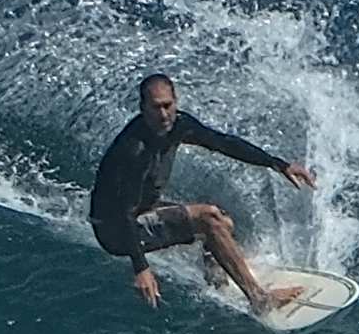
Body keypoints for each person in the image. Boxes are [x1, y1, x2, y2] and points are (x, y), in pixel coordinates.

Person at [89, 74, 316, 313]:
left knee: (223, 221)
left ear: (176, 101)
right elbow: (124, 212)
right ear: (142, 108)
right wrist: (141, 268)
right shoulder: (134, 148)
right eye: (156, 108)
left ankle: (217, 278)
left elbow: (223, 143)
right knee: (208, 219)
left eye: (167, 105)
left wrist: (278, 164)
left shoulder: (179, 126)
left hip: (141, 210)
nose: (164, 115)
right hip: (115, 230)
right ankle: (260, 299)